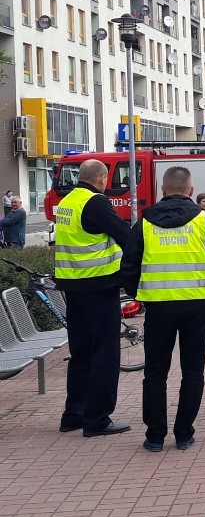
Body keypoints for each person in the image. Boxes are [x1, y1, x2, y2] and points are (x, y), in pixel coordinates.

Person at [121, 166, 205, 452]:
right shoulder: (203, 221)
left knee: (155, 373)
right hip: (196, 306)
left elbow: (129, 265)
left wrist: (137, 293)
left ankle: (155, 436)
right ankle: (184, 433)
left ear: (162, 189)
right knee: (192, 371)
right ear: (190, 189)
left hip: (158, 308)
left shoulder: (144, 223)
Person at [54, 160, 130, 437]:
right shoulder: (95, 202)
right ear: (101, 177)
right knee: (105, 354)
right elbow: (125, 236)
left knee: (81, 353)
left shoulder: (67, 202)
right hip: (99, 287)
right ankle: (97, 419)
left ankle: (73, 414)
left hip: (73, 287)